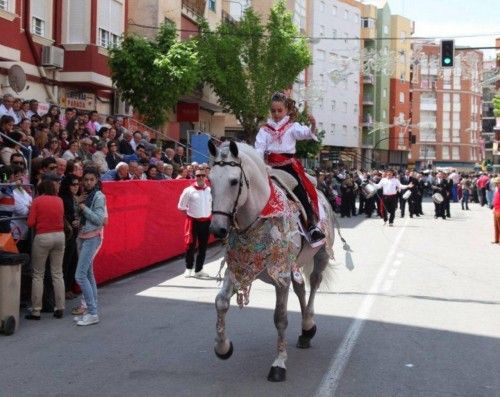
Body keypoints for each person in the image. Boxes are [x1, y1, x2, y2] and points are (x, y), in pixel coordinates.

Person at [254, 92, 325, 245]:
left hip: (288, 167)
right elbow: (259, 149)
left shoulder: (292, 127)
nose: (276, 114)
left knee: (300, 191)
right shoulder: (264, 130)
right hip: (269, 168)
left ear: (286, 110)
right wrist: (261, 166)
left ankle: (311, 226)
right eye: (273, 111)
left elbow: (305, 133)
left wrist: (312, 125)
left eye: (280, 110)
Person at [25, 178, 66, 320]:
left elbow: (30, 223)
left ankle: (36, 310)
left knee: (38, 274)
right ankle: (60, 307)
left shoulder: (37, 201)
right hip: (60, 236)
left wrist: (31, 211)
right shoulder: (59, 200)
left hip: (43, 236)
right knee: (57, 273)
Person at [74, 167, 108, 326]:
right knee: (88, 274)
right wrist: (79, 208)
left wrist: (81, 207)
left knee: (80, 275)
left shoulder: (99, 196)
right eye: (85, 179)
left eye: (91, 180)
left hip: (92, 237)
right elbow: (83, 217)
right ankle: (90, 309)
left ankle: (93, 312)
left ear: (96, 180)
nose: (88, 182)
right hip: (83, 235)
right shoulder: (86, 195)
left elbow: (99, 220)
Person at [177, 168, 212, 278]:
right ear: (195, 177)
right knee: (190, 246)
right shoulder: (189, 190)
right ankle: (188, 268)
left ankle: (199, 270)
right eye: (198, 176)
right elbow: (181, 207)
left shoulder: (210, 190)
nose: (200, 177)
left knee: (203, 247)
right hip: (193, 222)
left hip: (206, 222)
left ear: (205, 177)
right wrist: (192, 215)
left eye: (202, 175)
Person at [492, 176, 500, 244]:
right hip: (496, 210)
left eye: (497, 183)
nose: (496, 184)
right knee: (496, 226)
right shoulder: (497, 190)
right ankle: (496, 240)